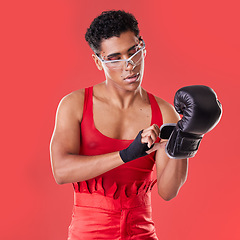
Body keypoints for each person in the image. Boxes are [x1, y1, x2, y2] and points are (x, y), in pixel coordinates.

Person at [50, 10, 221, 240]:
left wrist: (187, 137)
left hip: (141, 234)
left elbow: (168, 192)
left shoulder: (164, 112)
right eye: (115, 58)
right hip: (87, 235)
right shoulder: (75, 104)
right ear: (98, 62)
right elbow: (61, 171)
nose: (128, 66)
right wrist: (125, 155)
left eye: (133, 53)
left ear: (143, 48)